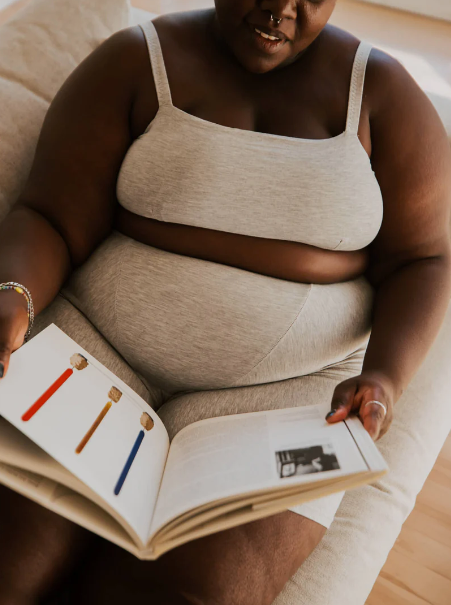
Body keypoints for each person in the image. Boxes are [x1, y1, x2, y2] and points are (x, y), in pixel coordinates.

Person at [0, 1, 450, 603]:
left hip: (295, 396)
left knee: (193, 594)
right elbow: (51, 214)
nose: (281, 7)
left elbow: (425, 258)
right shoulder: (136, 61)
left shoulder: (385, 95)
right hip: (98, 355)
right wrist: (14, 296)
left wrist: (386, 377)